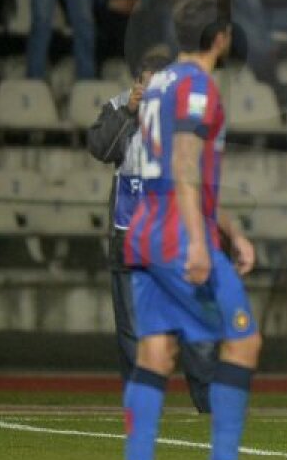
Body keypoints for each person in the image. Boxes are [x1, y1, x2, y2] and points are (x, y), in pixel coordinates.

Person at [120, 0, 277, 460]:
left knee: (156, 352)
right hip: (176, 236)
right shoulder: (196, 86)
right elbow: (186, 165)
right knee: (244, 341)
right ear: (222, 37)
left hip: (144, 228)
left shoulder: (159, 82)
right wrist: (200, 243)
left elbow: (169, 169)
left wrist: (229, 229)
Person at [86, 46, 218, 415]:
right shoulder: (119, 108)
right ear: (137, 84)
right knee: (133, 334)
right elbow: (100, 147)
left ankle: (208, 405)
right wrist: (130, 112)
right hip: (131, 240)